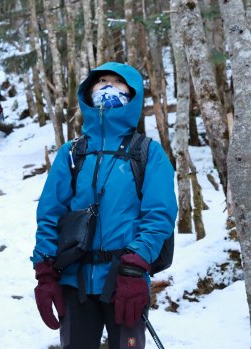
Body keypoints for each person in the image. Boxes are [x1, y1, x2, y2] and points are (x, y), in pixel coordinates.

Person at [31, 62, 177, 349]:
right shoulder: (72, 152)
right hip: (74, 281)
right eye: (101, 82)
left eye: (117, 83)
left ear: (132, 93)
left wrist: (136, 265)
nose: (108, 87)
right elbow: (50, 214)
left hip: (126, 280)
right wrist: (45, 270)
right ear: (88, 92)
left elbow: (159, 215)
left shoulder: (147, 152)